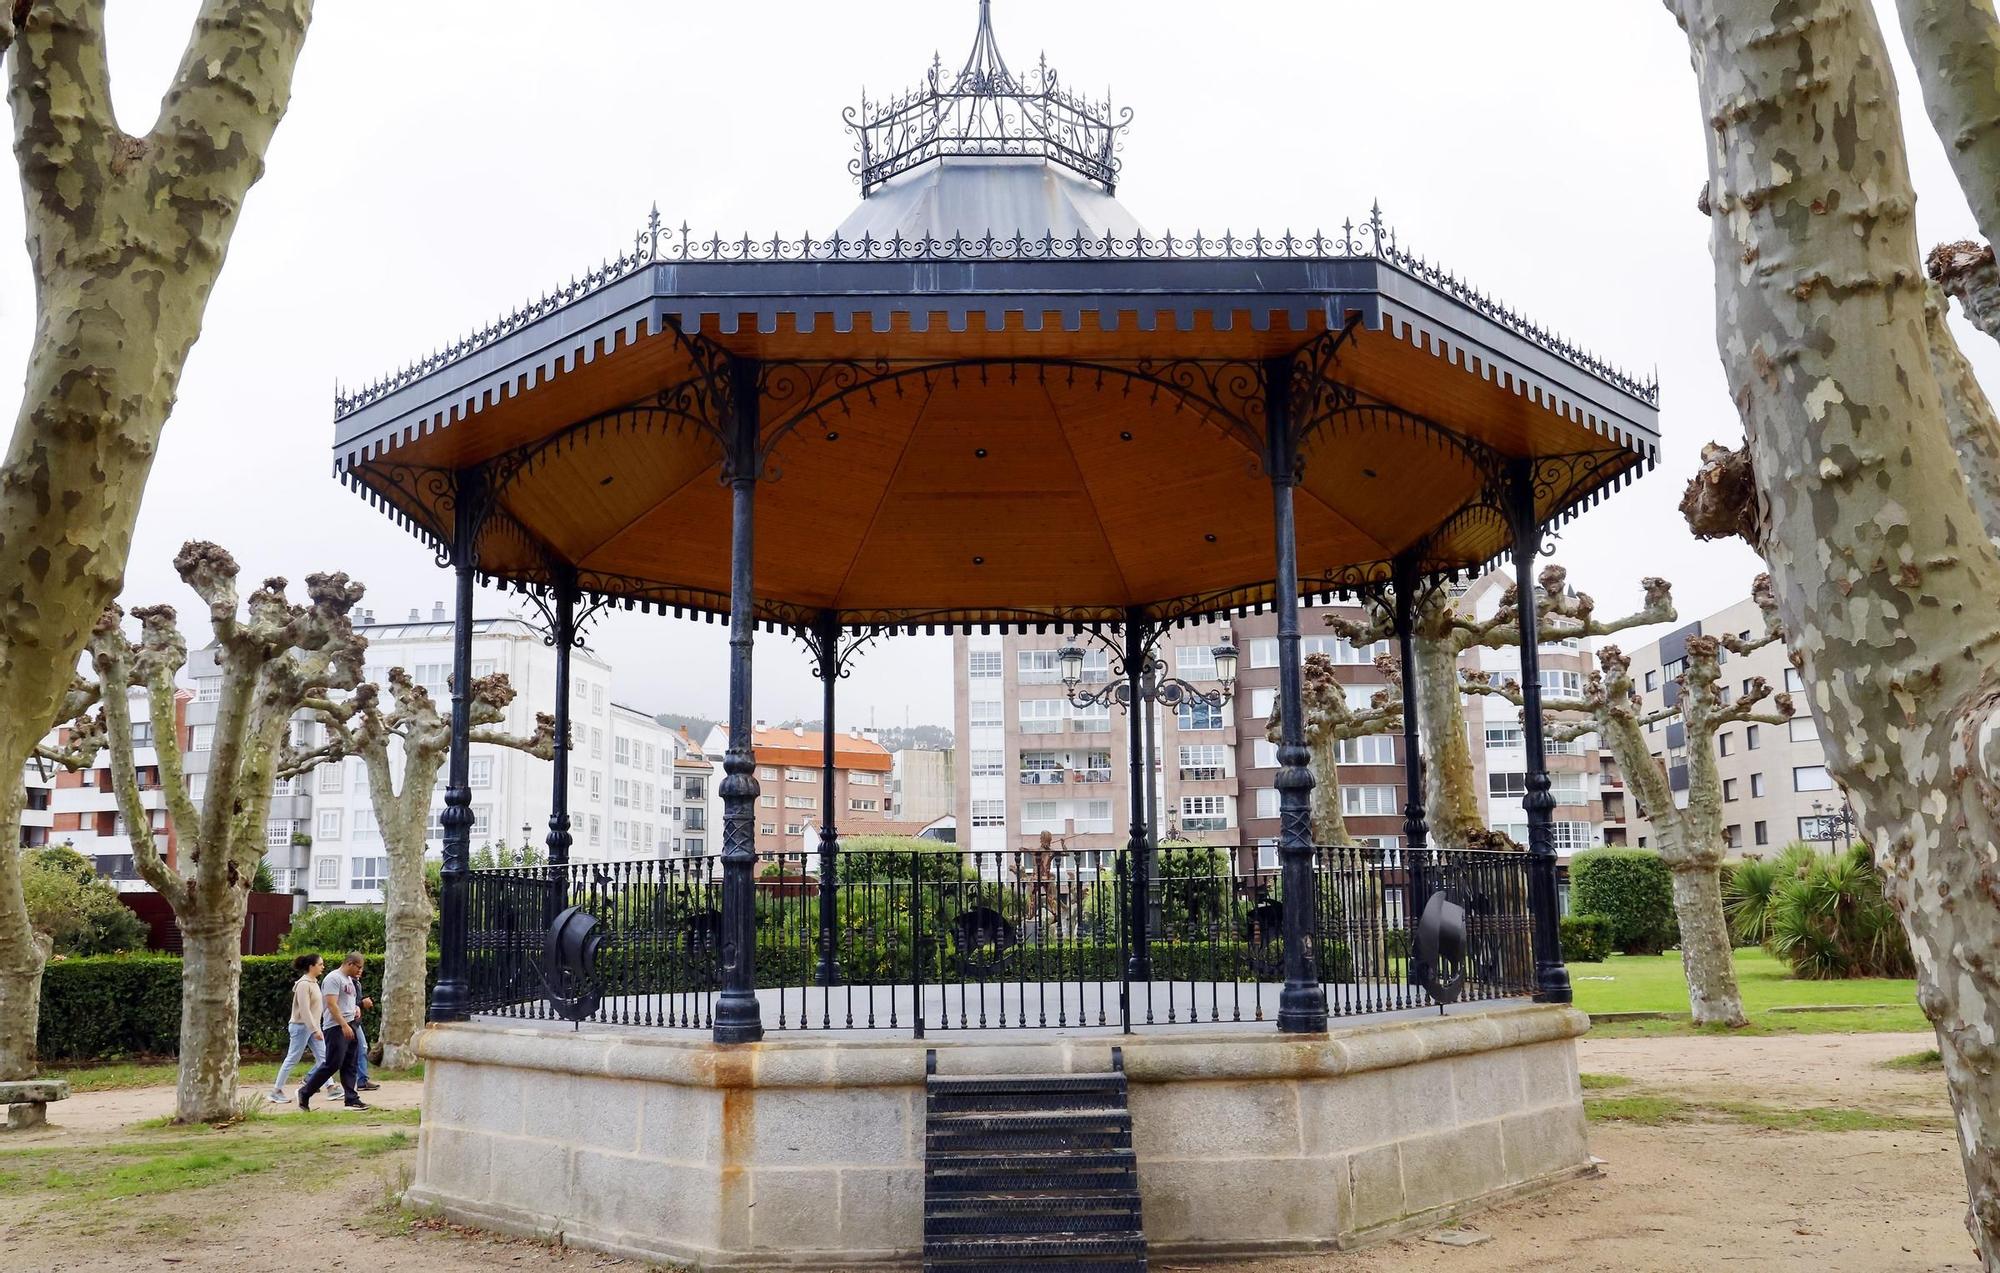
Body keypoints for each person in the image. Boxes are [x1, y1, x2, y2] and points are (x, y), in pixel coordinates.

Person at [298, 951, 370, 1112]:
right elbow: (331, 1004)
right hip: (336, 1027)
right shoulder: (333, 978)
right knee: (332, 1064)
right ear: (349, 963)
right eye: (358, 967)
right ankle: (305, 1092)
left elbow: (347, 1001)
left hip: (350, 1024)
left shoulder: (349, 980)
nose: (360, 971)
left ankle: (351, 1099)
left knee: (350, 1064)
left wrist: (356, 1009)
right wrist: (343, 1025)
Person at [268, 952, 326, 1102]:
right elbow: (305, 1010)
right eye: (320, 964)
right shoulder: (303, 984)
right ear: (311, 966)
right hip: (301, 1027)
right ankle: (276, 1091)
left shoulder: (314, 983)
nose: (323, 967)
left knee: (323, 1058)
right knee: (292, 1058)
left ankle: (331, 1087)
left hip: (312, 1027)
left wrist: (316, 1028)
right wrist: (315, 1029)